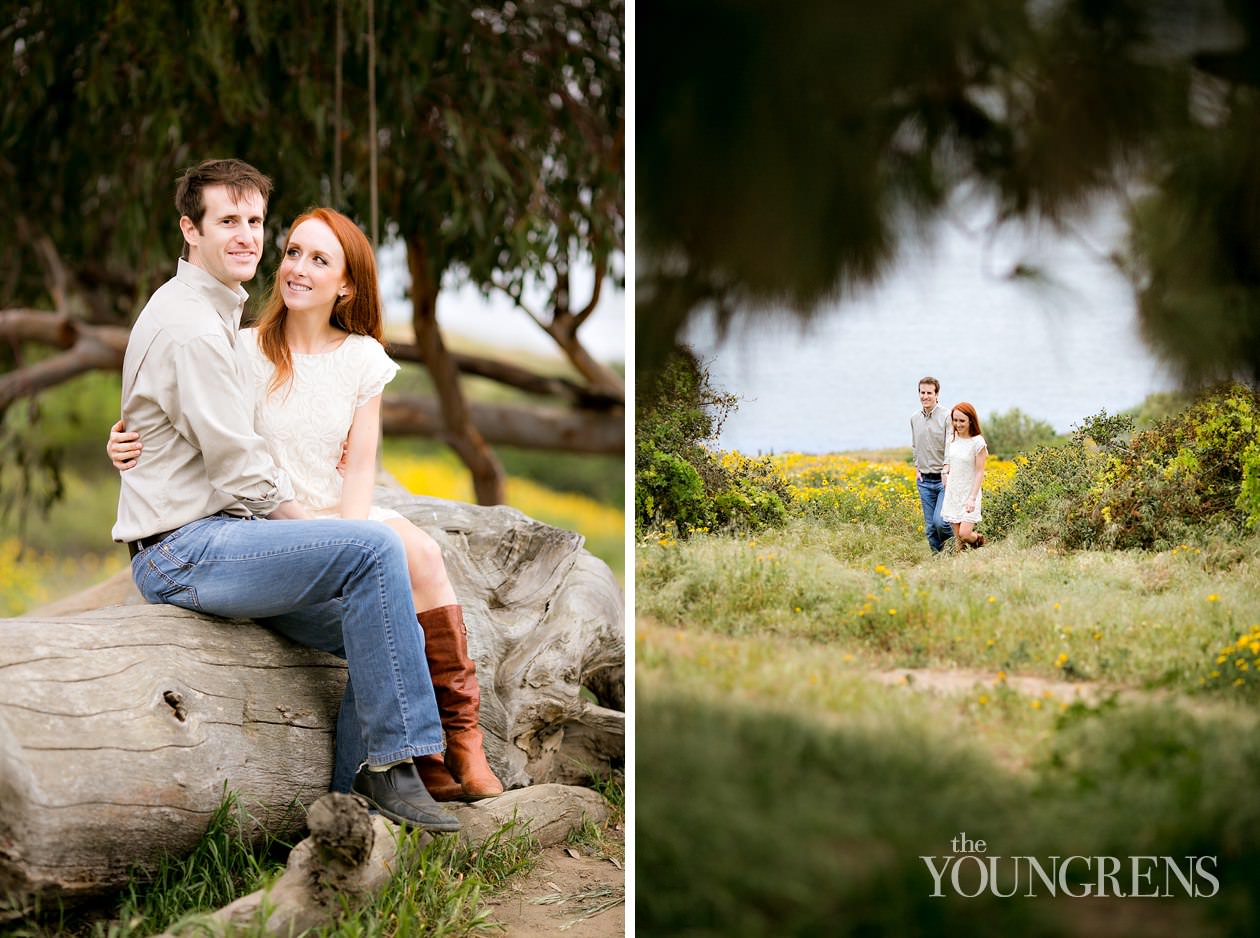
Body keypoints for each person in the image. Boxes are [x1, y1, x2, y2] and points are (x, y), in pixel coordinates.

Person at [110, 158, 462, 831]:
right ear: (190, 229)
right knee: (370, 553)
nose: (245, 236)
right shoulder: (192, 324)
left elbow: (164, 419)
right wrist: (322, 537)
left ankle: (348, 809)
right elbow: (240, 467)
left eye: (253, 222)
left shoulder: (210, 309)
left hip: (219, 539)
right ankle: (398, 764)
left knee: (387, 627)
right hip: (185, 548)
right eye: (226, 222)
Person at [911, 377, 952, 552]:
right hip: (924, 481)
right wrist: (917, 467)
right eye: (922, 392)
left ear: (937, 394)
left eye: (929, 393)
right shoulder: (914, 418)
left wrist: (946, 469)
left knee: (941, 522)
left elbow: (950, 445)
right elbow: (915, 445)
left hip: (943, 480)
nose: (925, 396)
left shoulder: (946, 416)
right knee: (930, 528)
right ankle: (938, 562)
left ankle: (954, 551)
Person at [941, 401, 988, 550]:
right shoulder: (952, 437)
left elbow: (980, 471)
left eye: (962, 421)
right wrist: (945, 472)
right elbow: (949, 460)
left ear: (970, 421)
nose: (958, 424)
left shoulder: (978, 442)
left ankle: (981, 542)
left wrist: (972, 498)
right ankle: (961, 566)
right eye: (955, 420)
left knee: (965, 534)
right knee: (958, 539)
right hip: (953, 491)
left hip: (970, 493)